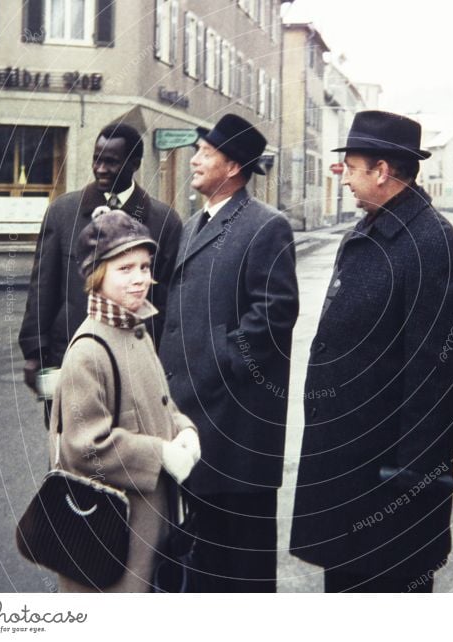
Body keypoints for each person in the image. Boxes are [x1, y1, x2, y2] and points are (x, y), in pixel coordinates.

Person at [290, 110, 453, 593]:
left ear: (382, 171)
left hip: (387, 481)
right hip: (350, 467)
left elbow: (439, 376)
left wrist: (411, 476)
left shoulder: (431, 245)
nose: (345, 178)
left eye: (352, 167)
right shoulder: (373, 230)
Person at [159, 114, 299, 592]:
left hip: (236, 429)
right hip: (192, 421)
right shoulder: (194, 223)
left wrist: (220, 361)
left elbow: (275, 315)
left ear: (234, 165)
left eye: (205, 152)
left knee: (241, 568)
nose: (194, 160)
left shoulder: (267, 227)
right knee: (200, 562)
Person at [51, 209, 200, 592]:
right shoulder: (89, 350)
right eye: (125, 269)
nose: (141, 279)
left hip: (148, 523)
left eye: (145, 266)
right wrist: (160, 454)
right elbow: (84, 447)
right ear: (96, 275)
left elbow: (160, 403)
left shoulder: (136, 330)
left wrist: (183, 429)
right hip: (112, 536)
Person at [19, 123, 182, 410]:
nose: (101, 168)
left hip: (135, 360)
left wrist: (158, 355)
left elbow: (168, 299)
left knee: (129, 445)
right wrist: (35, 351)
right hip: (70, 354)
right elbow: (42, 286)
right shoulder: (63, 212)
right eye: (97, 159)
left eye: (111, 161)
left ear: (134, 164)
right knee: (69, 444)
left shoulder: (164, 221)